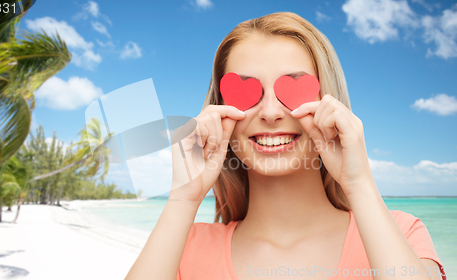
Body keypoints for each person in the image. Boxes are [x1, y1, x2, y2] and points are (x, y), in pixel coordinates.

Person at [125, 12, 446, 280]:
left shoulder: (402, 234)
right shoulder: (184, 248)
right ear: (219, 112)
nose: (270, 113)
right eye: (245, 93)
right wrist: (183, 197)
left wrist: (359, 184)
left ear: (329, 104)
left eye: (293, 89)